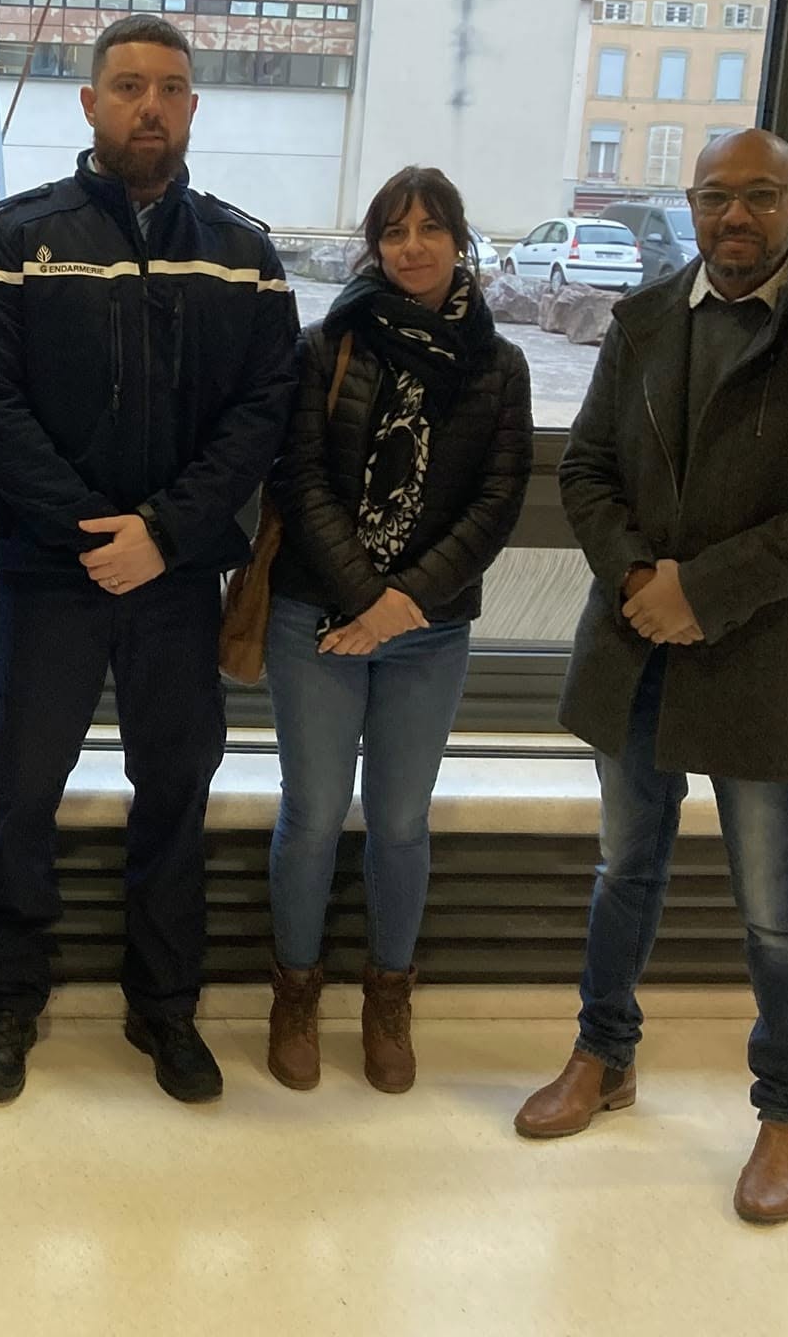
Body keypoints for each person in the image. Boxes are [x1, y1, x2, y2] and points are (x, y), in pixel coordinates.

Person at [514, 128, 788, 1225]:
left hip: (764, 660)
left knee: (773, 906)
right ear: (689, 205)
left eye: (758, 196)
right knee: (622, 871)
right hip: (633, 645)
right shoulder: (643, 317)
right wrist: (642, 579)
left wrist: (705, 590)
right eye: (714, 197)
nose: (734, 216)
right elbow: (586, 469)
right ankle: (603, 1056)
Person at [0, 14, 298, 1106]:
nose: (151, 105)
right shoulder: (13, 239)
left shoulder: (243, 254)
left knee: (174, 795)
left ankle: (165, 1008)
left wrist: (165, 534)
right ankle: (9, 1000)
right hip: (49, 573)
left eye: (171, 88)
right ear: (90, 102)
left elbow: (262, 414)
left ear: (192, 107)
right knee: (22, 792)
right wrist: (93, 531)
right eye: (130, 85)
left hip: (178, 580)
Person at [260, 168, 532, 1094]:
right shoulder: (326, 344)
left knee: (402, 823)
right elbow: (297, 478)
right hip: (318, 617)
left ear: (460, 239)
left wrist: (403, 602)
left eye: (430, 228)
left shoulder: (499, 364)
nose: (412, 247)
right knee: (312, 816)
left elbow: (498, 500)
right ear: (374, 245)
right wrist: (364, 599)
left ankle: (387, 997)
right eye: (393, 231)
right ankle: (296, 994)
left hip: (430, 629)